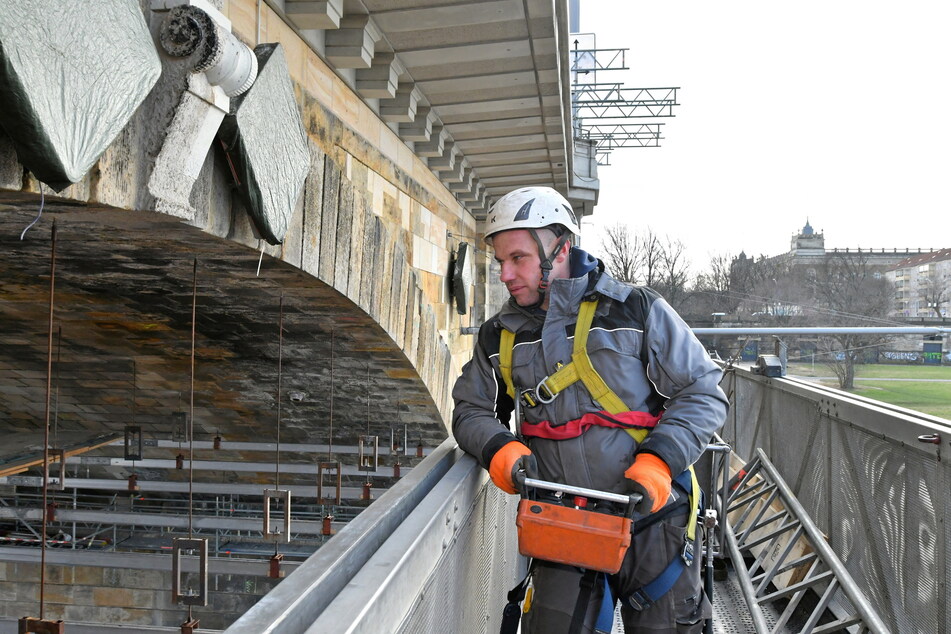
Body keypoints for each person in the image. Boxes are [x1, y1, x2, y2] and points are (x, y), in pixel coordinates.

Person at [451, 186, 728, 633]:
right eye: (500, 261)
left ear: (560, 249)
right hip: (564, 525)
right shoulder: (499, 336)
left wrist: (659, 462)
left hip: (654, 519)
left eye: (517, 258)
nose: (504, 274)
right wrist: (499, 449)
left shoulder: (634, 309)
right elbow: (470, 409)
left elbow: (704, 389)